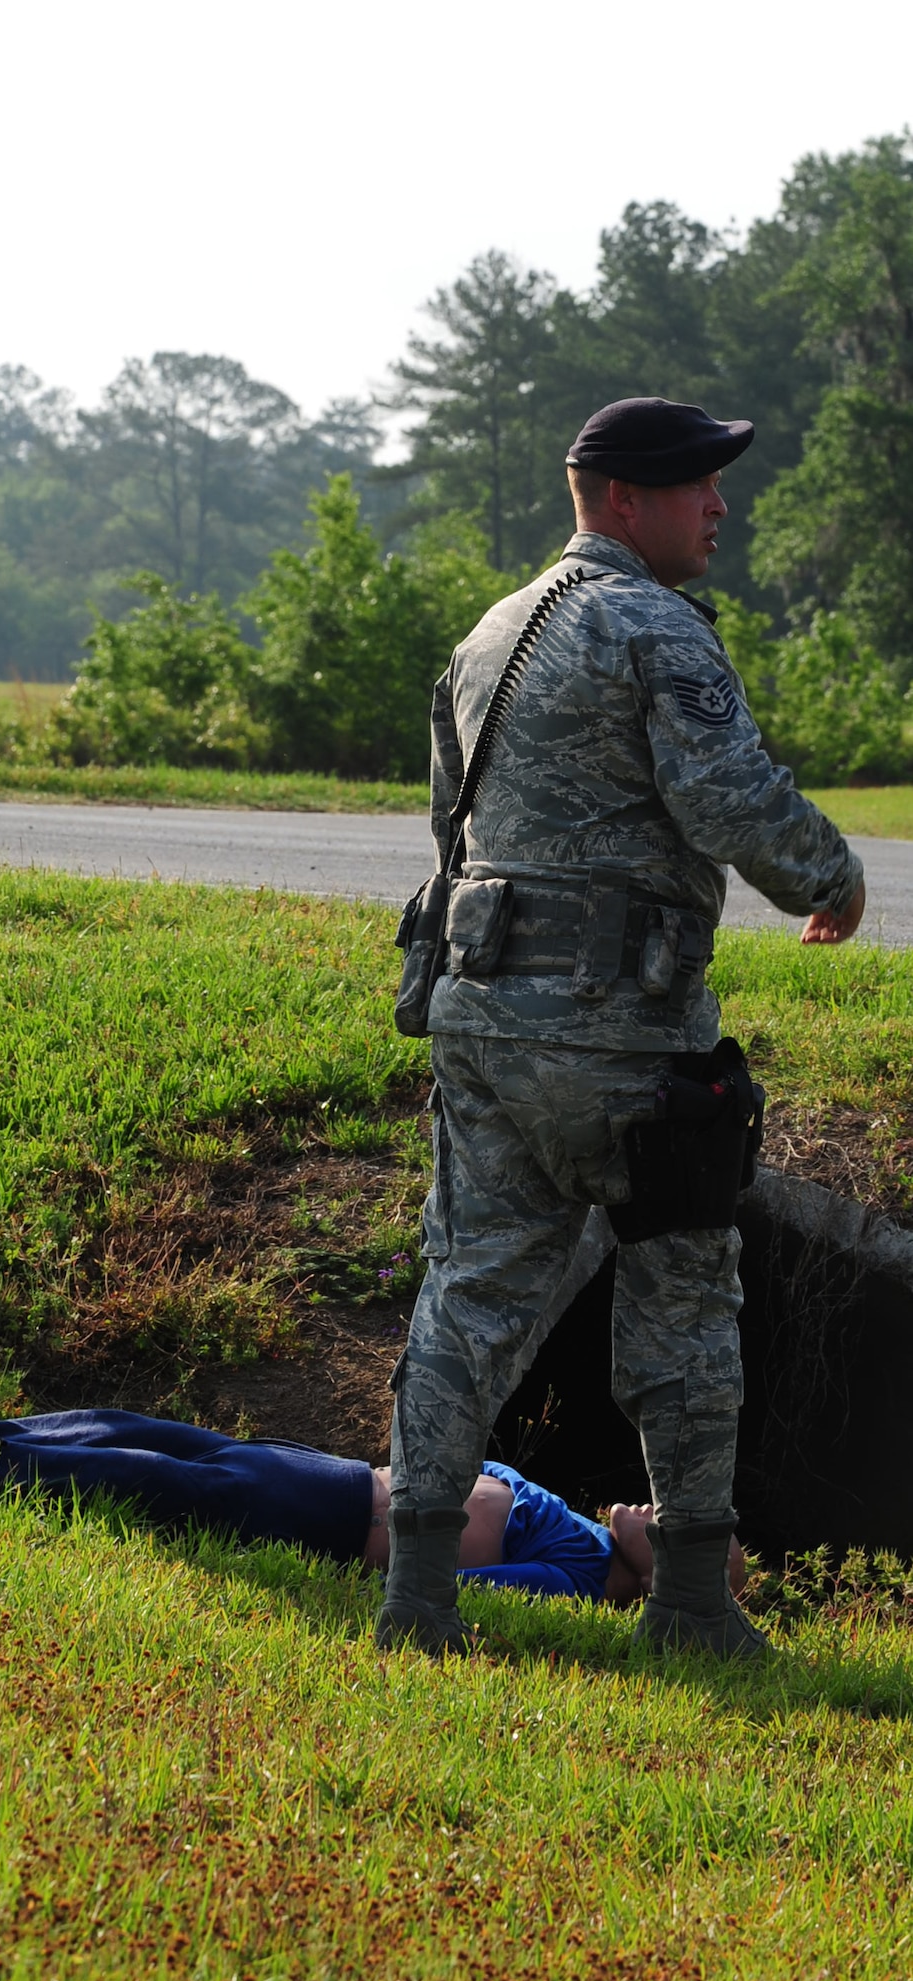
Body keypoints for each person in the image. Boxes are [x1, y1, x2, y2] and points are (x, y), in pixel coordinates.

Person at [380, 398, 864, 1662]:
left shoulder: (490, 629)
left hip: (481, 1022)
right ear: (625, 500)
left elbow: (450, 822)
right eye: (700, 485)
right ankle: (693, 1605)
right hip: (625, 1045)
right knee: (686, 1305)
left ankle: (417, 1596)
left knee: (469, 1294)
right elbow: (727, 795)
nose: (719, 506)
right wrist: (830, 874)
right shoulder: (654, 626)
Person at [0, 1376, 749, 1607]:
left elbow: (442, 1579)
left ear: (662, 1577)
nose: (656, 1508)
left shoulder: (575, 1574)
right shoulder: (583, 1532)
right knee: (78, 1427)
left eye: (680, 1532)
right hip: (307, 1469)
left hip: (310, 1514)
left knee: (10, 1479)